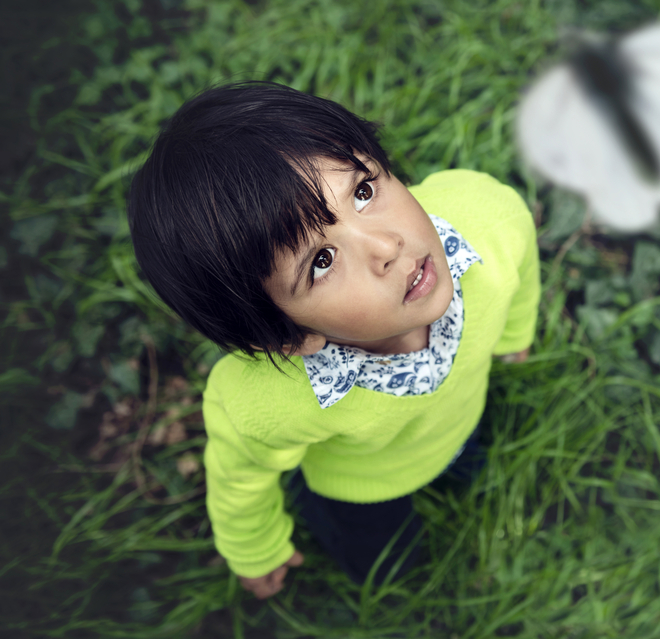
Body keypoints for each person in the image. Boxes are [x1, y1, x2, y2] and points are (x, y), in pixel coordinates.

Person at [127, 81, 540, 598]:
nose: (386, 246)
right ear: (287, 337)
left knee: (470, 465)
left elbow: (521, 258)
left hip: (458, 419)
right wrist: (255, 548)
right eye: (321, 261)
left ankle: (458, 465)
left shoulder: (487, 219)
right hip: (361, 490)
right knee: (387, 568)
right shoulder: (268, 402)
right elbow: (241, 474)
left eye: (363, 192)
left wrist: (515, 333)